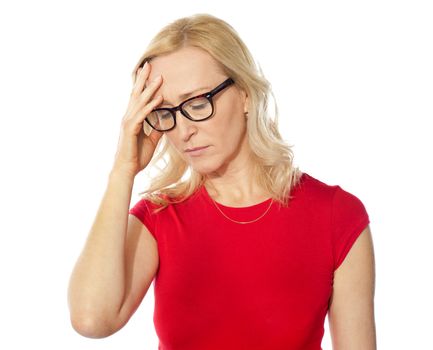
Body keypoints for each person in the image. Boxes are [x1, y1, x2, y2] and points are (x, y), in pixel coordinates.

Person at [67, 13, 377, 350]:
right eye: (166, 112)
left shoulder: (336, 216)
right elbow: (91, 319)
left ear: (244, 94)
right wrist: (123, 169)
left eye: (198, 103)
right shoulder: (159, 219)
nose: (184, 131)